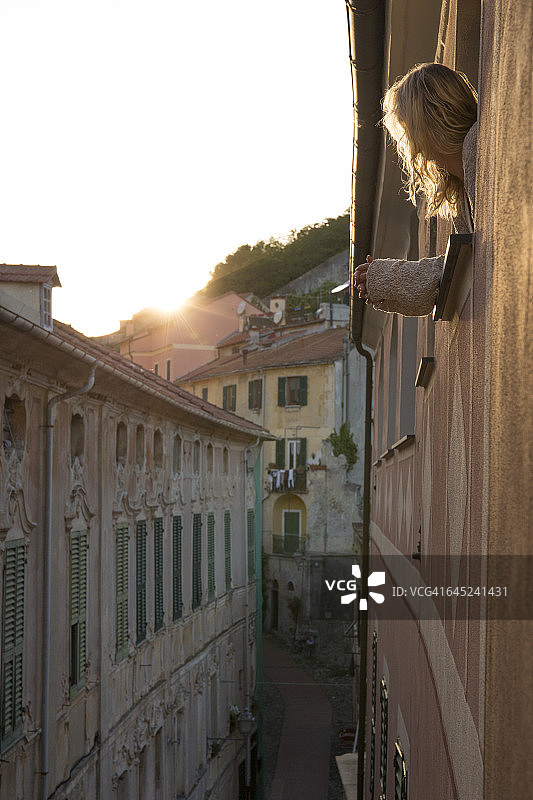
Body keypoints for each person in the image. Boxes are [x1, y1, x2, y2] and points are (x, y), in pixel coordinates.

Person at [354, 62, 478, 316]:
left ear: (423, 120)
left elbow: (487, 256)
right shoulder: (461, 190)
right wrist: (390, 277)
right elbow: (472, 261)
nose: (405, 142)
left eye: (404, 126)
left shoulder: (480, 154)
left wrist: (393, 277)